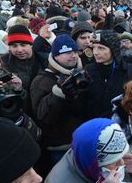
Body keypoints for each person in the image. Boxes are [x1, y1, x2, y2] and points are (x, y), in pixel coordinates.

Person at [30, 35, 88, 163]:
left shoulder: (82, 74)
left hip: (82, 140)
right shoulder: (41, 81)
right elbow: (43, 118)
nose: (73, 55)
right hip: (60, 147)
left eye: (75, 52)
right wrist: (58, 94)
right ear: (55, 56)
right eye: (67, 53)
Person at [83, 30, 132, 119]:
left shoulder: (131, 71)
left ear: (113, 49)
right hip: (94, 125)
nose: (95, 52)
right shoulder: (88, 70)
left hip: (120, 125)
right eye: (94, 47)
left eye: (101, 48)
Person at [2, 25, 48, 93]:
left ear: (31, 45)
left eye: (23, 45)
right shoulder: (4, 63)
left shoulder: (45, 61)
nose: (19, 50)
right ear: (9, 47)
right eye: (14, 46)